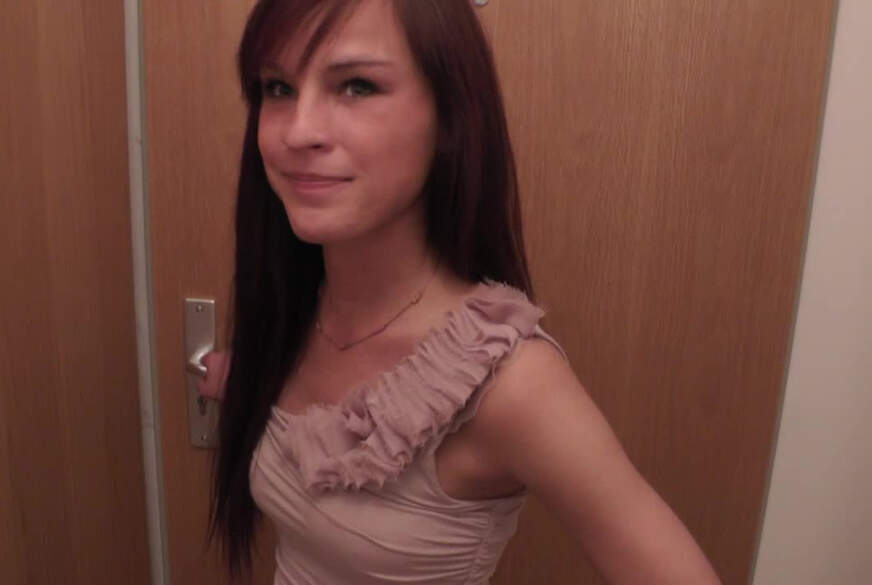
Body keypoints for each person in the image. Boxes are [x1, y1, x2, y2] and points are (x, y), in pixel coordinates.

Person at [196, 0, 722, 583]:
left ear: (449, 115)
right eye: (278, 88)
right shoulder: (296, 312)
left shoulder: (509, 384)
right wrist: (245, 383)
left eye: (357, 86)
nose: (298, 131)